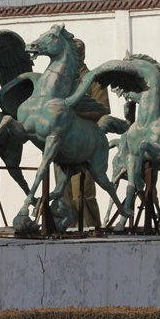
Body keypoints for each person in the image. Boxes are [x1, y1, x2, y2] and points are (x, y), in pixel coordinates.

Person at [63, 38, 109, 228]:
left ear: (80, 54)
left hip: (85, 144)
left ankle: (90, 227)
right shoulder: (63, 81)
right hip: (64, 144)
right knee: (63, 192)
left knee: (83, 192)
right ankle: (67, 226)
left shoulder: (94, 80)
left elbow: (103, 110)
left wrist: (75, 113)